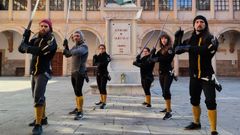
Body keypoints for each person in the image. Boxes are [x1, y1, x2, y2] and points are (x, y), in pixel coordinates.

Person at [174, 15, 219, 135]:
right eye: (197, 22)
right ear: (194, 25)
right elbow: (177, 50)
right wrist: (177, 38)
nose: (199, 24)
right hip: (194, 76)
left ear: (205, 25)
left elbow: (205, 50)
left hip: (207, 76)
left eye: (202, 22)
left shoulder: (210, 38)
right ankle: (196, 123)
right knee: (194, 100)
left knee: (210, 101)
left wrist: (189, 48)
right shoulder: (190, 39)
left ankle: (213, 129)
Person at [18, 19, 57, 135]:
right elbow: (20, 48)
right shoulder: (35, 39)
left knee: (38, 97)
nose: (43, 28)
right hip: (34, 71)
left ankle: (38, 124)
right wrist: (25, 37)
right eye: (41, 26)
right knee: (36, 96)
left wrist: (27, 48)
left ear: (49, 28)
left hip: (43, 71)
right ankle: (43, 118)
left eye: (46, 26)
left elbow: (41, 51)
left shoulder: (51, 40)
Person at [63, 30, 89, 120]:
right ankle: (78, 107)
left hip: (80, 72)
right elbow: (67, 55)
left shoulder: (84, 46)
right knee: (75, 91)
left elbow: (78, 52)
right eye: (74, 36)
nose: (75, 37)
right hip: (73, 72)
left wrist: (69, 50)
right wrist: (66, 46)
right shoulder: (74, 46)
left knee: (78, 91)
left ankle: (80, 111)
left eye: (77, 36)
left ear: (81, 37)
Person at [150, 34, 175, 120]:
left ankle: (169, 112)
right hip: (161, 73)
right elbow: (153, 58)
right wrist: (152, 53)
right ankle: (168, 107)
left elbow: (167, 59)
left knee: (166, 91)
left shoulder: (170, 49)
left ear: (168, 40)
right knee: (164, 92)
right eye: (162, 39)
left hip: (168, 72)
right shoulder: (160, 50)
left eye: (165, 39)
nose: (163, 40)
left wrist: (156, 58)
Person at [93, 44, 111, 109]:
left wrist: (98, 62)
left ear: (105, 49)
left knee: (103, 87)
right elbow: (94, 63)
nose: (101, 49)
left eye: (102, 48)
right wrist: (94, 58)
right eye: (100, 48)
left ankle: (104, 102)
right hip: (98, 74)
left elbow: (104, 64)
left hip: (104, 74)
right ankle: (101, 100)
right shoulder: (98, 56)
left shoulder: (107, 56)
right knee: (100, 87)